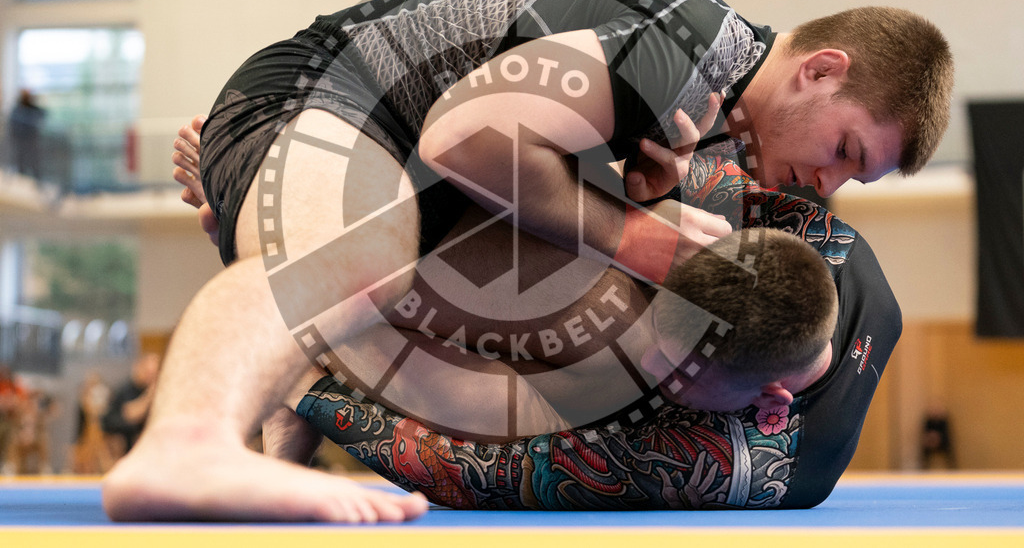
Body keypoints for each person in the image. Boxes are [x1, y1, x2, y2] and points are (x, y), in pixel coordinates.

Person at [107, 0, 950, 522]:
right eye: (844, 151)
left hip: (409, 165)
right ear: (822, 68)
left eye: (851, 179)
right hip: (340, 102)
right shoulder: (686, 49)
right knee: (373, 253)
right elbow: (458, 142)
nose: (826, 184)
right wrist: (636, 235)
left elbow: (513, 181)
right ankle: (187, 436)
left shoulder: (717, 126)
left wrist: (624, 206)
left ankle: (264, 291)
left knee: (530, 288)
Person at [293, 149, 900, 510]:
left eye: (680, 373)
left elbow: (476, 474)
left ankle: (312, 308)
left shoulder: (756, 467)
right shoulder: (831, 243)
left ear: (771, 402)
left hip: (566, 412)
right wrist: (650, 217)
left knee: (560, 387)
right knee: (610, 225)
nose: (658, 369)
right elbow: (627, 173)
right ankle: (333, 240)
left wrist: (304, 386)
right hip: (427, 238)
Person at [102, 353, 160, 454]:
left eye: (154, 374)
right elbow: (125, 416)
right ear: (139, 368)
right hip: (126, 448)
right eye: (148, 373)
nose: (151, 378)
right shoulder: (124, 390)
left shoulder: (157, 392)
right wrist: (148, 397)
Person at [5, 88, 46, 179]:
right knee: (21, 166)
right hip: (21, 144)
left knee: (35, 166)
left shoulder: (33, 109)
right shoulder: (17, 110)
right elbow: (13, 126)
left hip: (32, 143)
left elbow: (43, 114)